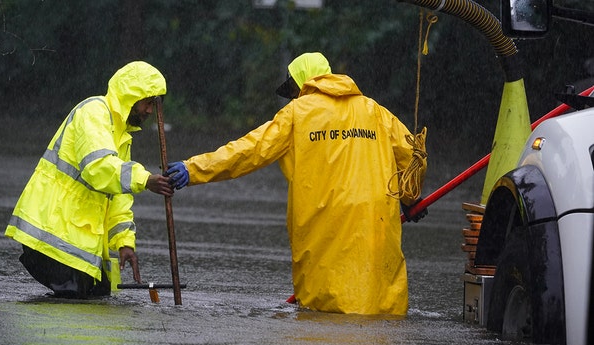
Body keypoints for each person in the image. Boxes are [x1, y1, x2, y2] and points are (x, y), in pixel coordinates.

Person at [166, 52, 426, 315]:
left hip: (324, 222)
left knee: (324, 310)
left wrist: (193, 169)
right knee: (379, 303)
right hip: (375, 218)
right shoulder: (375, 111)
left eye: (292, 88)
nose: (292, 95)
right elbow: (414, 157)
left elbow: (247, 151)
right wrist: (409, 199)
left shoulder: (296, 114)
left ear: (303, 83)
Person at [5, 61, 174, 298]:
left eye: (154, 106)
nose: (150, 111)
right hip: (53, 233)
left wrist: (125, 242)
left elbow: (117, 198)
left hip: (73, 238)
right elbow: (98, 169)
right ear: (132, 96)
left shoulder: (121, 135)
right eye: (148, 103)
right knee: (75, 302)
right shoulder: (94, 112)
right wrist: (146, 180)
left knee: (99, 294)